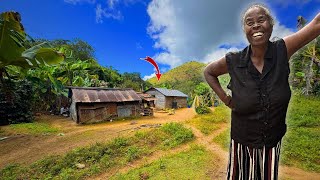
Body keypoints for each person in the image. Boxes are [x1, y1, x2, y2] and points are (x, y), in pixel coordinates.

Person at [204, 4, 320, 180]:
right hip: (242, 141)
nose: (256, 25)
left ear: (271, 25)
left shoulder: (282, 50)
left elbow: (316, 24)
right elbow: (209, 72)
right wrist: (226, 99)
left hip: (272, 141)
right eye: (249, 23)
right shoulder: (234, 60)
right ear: (245, 30)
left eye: (261, 20)